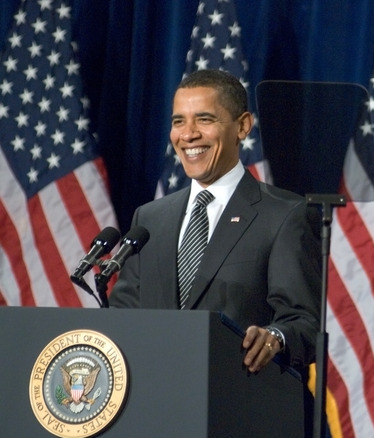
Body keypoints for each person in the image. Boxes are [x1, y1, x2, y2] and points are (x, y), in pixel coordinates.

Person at [109, 69, 321, 374]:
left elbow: (304, 322)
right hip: (152, 397)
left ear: (243, 126)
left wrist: (275, 337)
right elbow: (123, 315)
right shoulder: (150, 219)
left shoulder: (285, 215)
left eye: (204, 119)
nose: (188, 134)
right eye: (178, 121)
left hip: (236, 398)